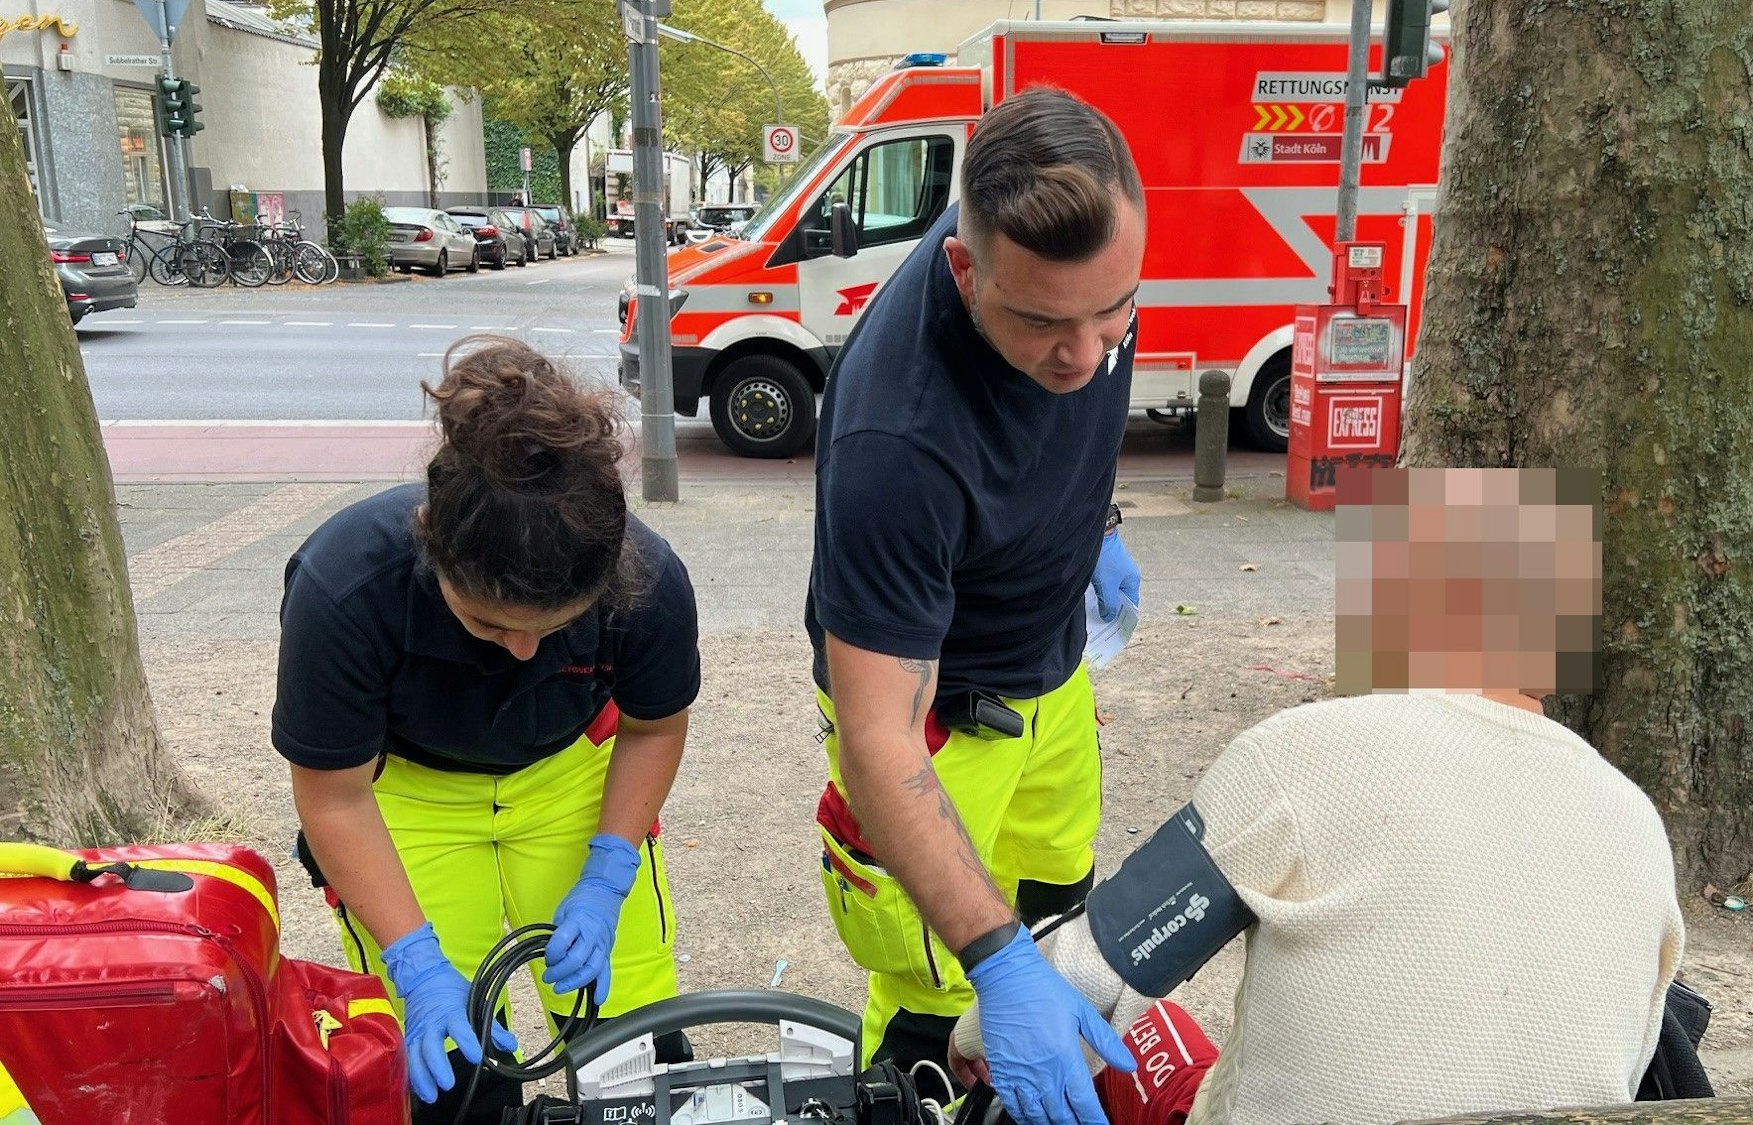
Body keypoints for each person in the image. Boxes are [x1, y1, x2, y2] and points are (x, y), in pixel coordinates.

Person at [952, 467, 1688, 1125]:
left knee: (1151, 1033)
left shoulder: (1306, 754)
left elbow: (1091, 969)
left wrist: (969, 1041)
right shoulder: (1638, 824)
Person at [803, 86, 1149, 1125]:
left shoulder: (1086, 262)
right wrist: (995, 964)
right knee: (939, 979)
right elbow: (879, 737)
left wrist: (1097, 525)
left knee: (1059, 902)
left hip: (1054, 669)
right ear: (965, 268)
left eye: (1114, 310)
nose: (1086, 355)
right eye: (1043, 323)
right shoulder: (895, 444)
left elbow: (1072, 394)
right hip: (939, 722)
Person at [271, 337, 701, 1124]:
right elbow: (332, 796)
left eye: (554, 626)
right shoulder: (344, 589)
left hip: (572, 773)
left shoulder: (649, 580)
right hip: (403, 791)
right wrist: (413, 959)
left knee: (633, 1036)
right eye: (489, 622)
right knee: (451, 1061)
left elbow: (652, 728)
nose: (525, 651)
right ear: (432, 542)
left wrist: (608, 873)